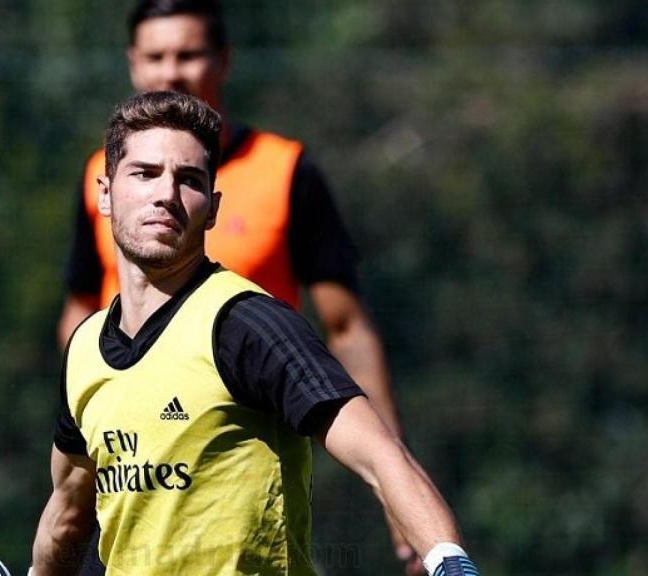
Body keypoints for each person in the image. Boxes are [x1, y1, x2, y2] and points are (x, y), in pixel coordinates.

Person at [32, 91, 479, 576]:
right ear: (104, 193)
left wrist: (449, 562)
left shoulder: (247, 324)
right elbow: (67, 514)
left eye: (189, 180)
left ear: (214, 206)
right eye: (144, 173)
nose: (166, 194)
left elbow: (380, 454)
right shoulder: (84, 349)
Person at [57, 0, 412, 566]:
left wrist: (397, 485)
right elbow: (78, 311)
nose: (171, 72)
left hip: (239, 467)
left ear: (223, 61)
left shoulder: (285, 170)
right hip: (133, 473)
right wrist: (94, 419)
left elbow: (347, 330)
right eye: (155, 56)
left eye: (189, 54)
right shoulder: (103, 174)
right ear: (132, 64)